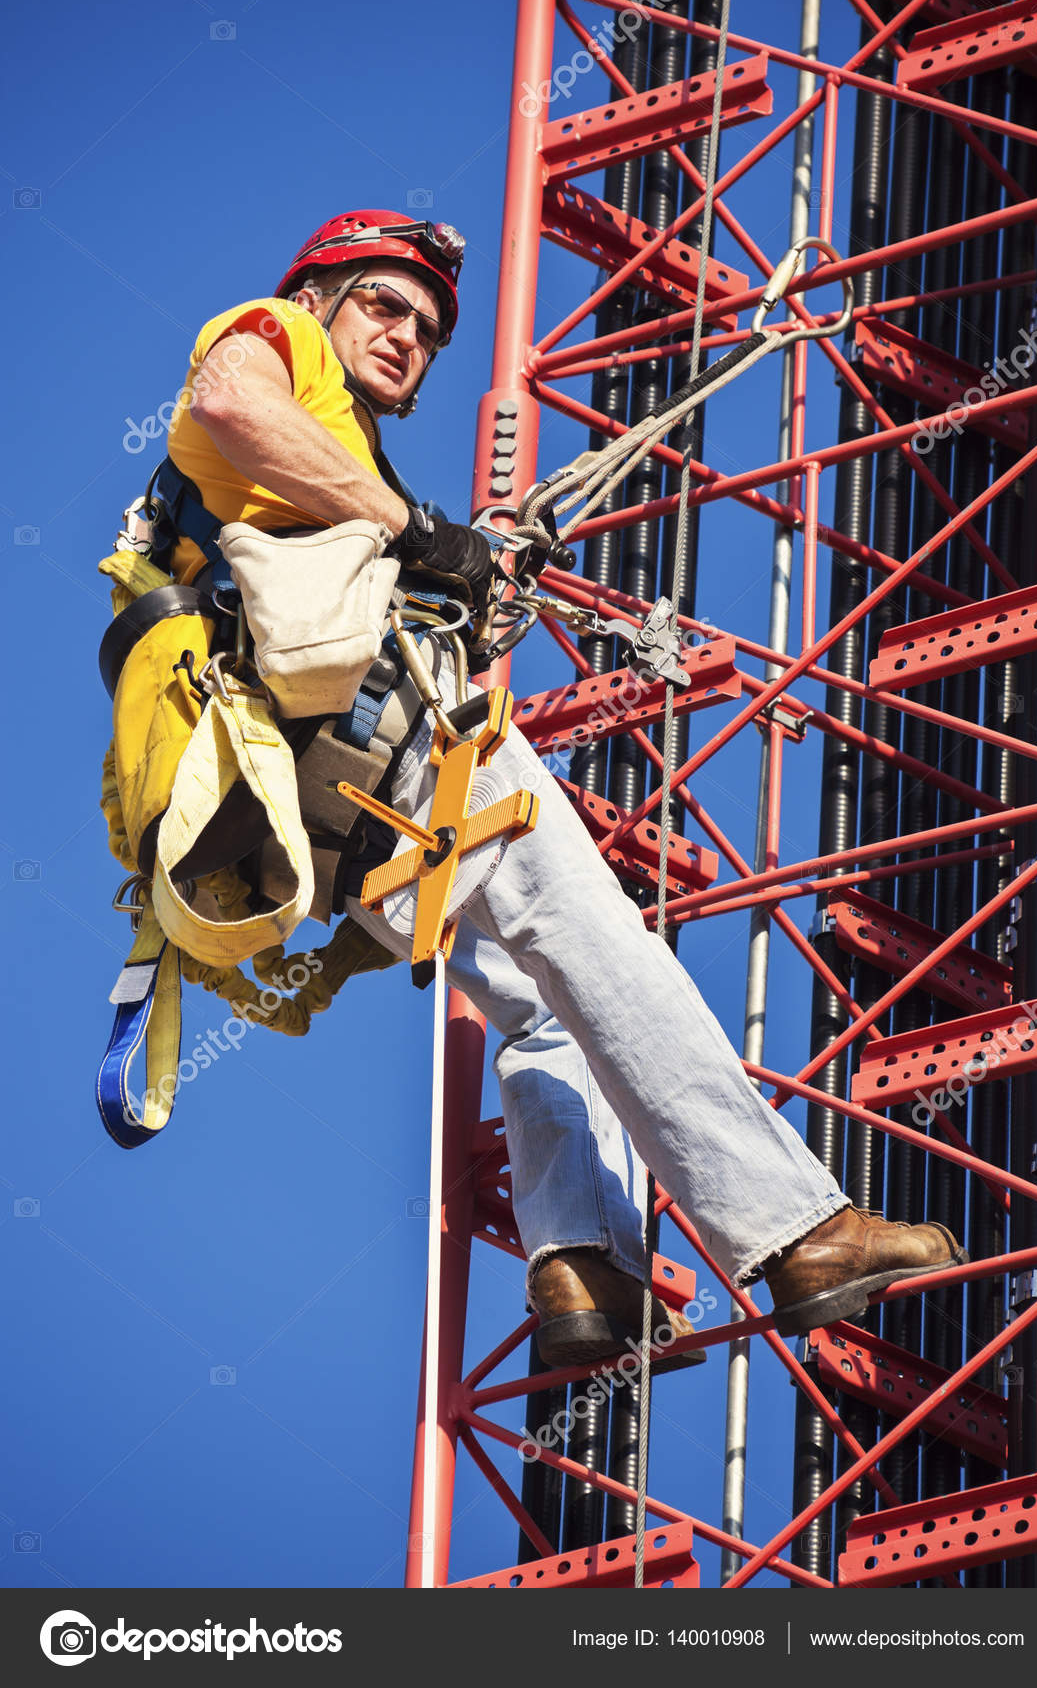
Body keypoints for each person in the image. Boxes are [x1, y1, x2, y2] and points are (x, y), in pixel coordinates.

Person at [161, 209, 966, 1364]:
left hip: (332, 822)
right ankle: (795, 1230)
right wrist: (419, 532)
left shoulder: (311, 469)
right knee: (605, 951)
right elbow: (227, 401)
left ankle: (580, 1267)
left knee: (543, 1003)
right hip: (401, 754)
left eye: (429, 330)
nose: (407, 337)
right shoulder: (270, 335)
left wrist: (436, 561)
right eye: (382, 305)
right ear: (318, 297)